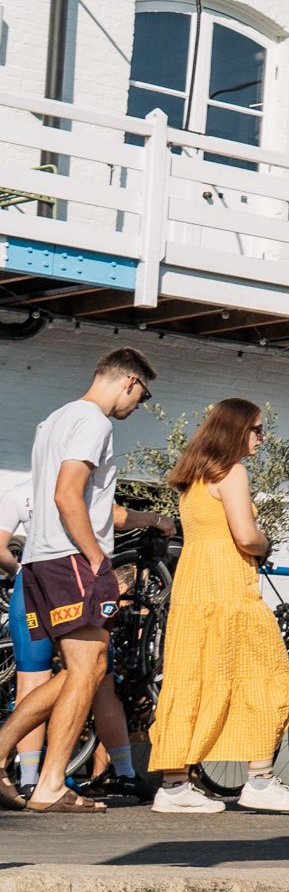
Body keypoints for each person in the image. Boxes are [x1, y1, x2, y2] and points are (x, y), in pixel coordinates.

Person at [145, 399, 289, 815]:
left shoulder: (193, 478)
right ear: (236, 430)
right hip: (228, 587)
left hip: (193, 587)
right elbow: (246, 537)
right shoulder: (232, 473)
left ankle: (175, 785)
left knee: (193, 678)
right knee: (268, 677)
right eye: (256, 429)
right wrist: (265, 541)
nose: (262, 437)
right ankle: (259, 779)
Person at [18, 348, 160, 813]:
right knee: (89, 669)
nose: (137, 406)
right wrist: (99, 561)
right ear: (129, 382)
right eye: (142, 396)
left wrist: (154, 519)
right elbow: (66, 495)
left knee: (84, 672)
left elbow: (96, 504)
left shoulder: (54, 419)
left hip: (43, 558)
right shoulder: (94, 421)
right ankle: (51, 785)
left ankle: (5, 754)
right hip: (71, 558)